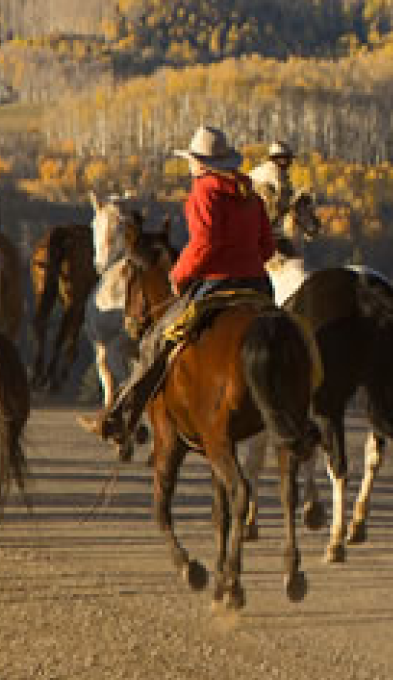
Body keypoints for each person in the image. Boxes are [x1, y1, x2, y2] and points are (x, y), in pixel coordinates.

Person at [95, 124, 276, 447]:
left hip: (217, 282)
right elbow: (267, 248)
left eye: (193, 159)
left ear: (202, 163)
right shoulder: (251, 194)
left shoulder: (205, 190)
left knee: (155, 341)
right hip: (258, 285)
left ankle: (122, 417)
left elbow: (204, 243)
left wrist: (179, 275)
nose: (190, 165)